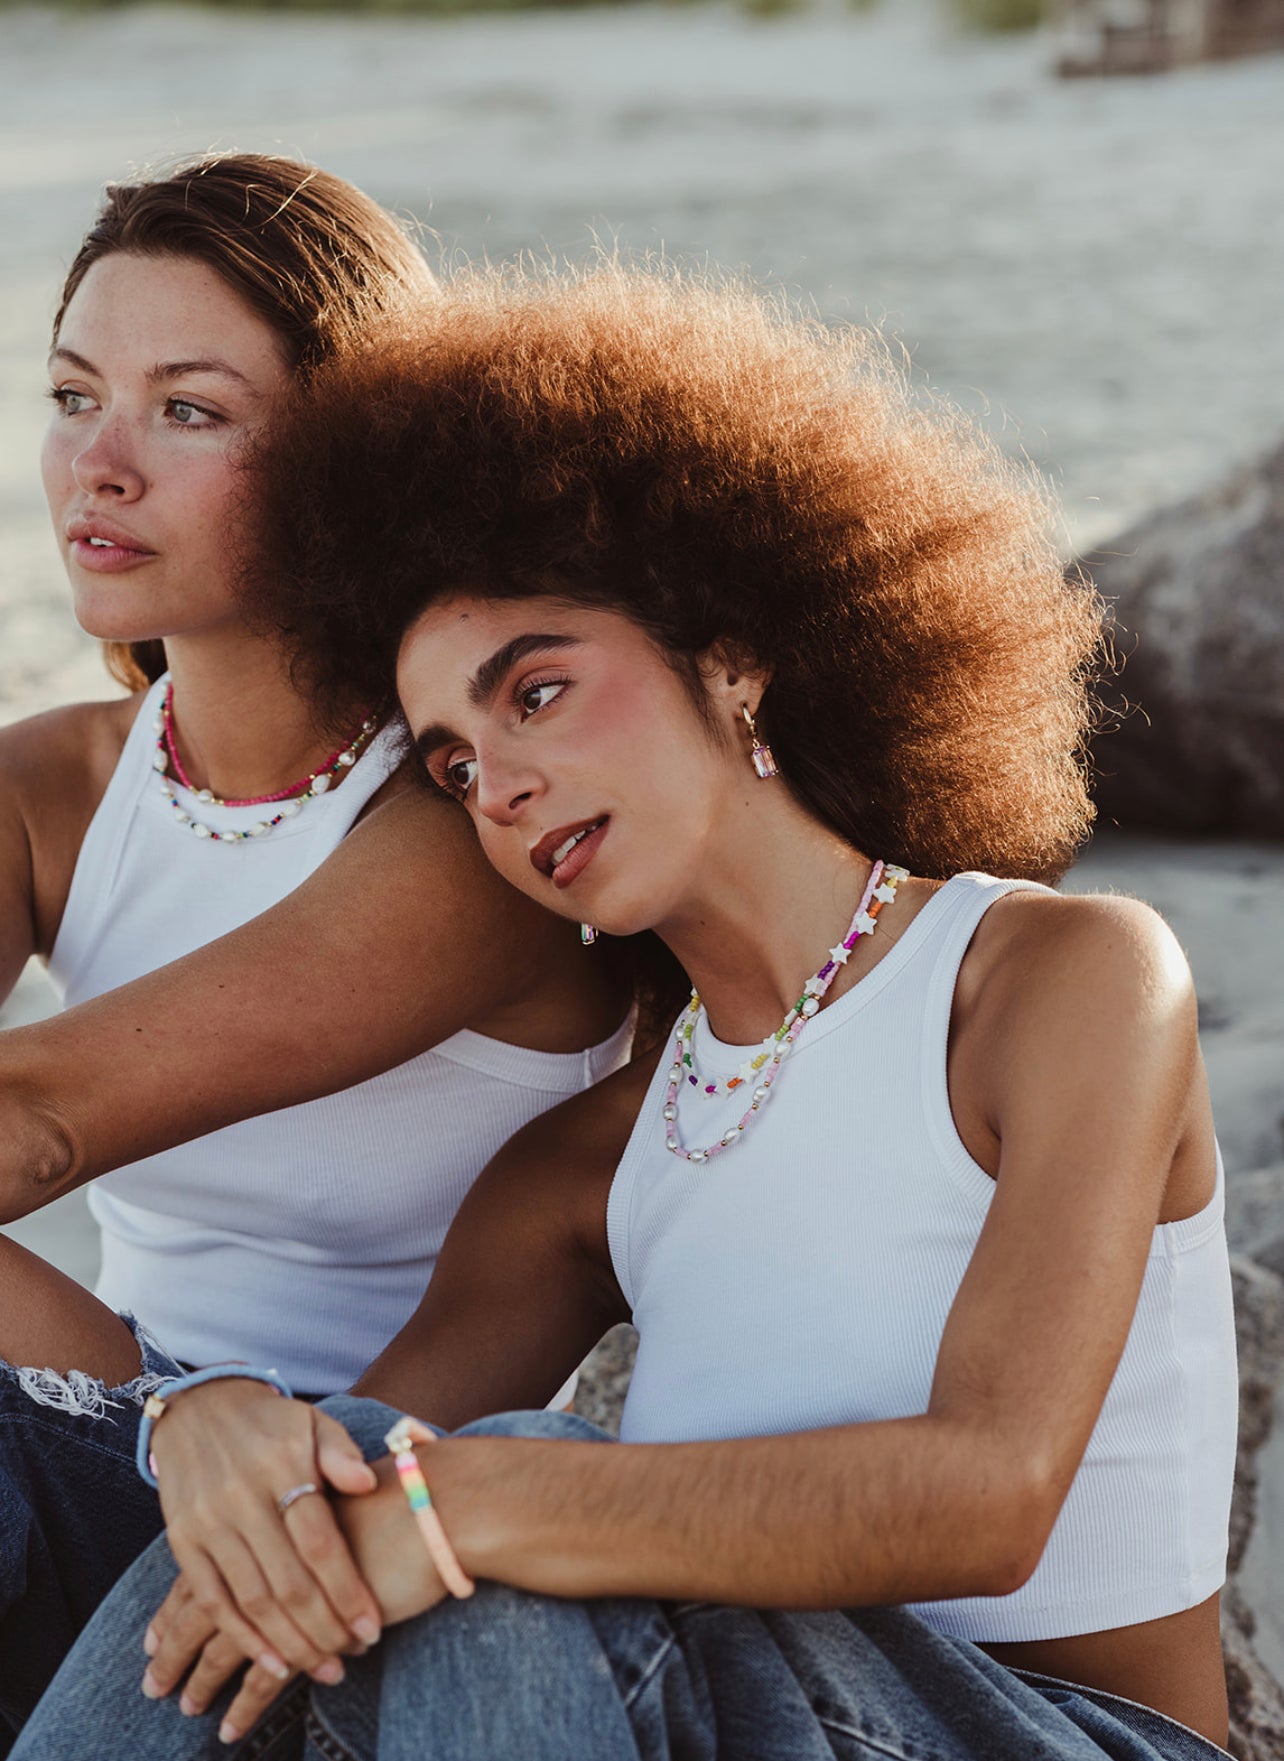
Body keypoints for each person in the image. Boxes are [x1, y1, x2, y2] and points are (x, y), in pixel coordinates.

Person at [18, 265, 1236, 1761]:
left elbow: (990, 1492)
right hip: (740, 1712)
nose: (500, 783)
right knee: (298, 1528)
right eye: (454, 763)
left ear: (729, 659)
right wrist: (211, 1428)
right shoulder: (591, 1164)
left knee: (497, 1513)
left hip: (1073, 1735)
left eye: (535, 692)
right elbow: (336, 1507)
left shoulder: (1055, 980)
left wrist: (470, 1498)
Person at [0, 168, 631, 1739]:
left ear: (358, 461)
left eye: (189, 411)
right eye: (74, 393)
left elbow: (36, 1118)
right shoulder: (48, 792)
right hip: (122, 1451)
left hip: (383, 1532)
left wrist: (208, 1425)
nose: (102, 461)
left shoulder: (468, 822)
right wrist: (168, 1411)